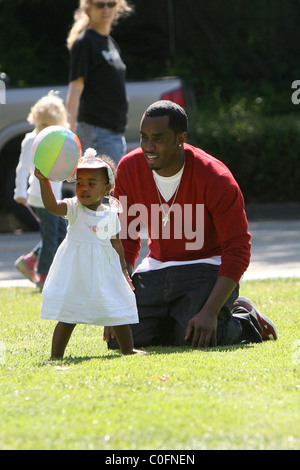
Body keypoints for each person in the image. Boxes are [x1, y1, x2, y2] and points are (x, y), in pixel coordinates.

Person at [105, 100, 278, 350]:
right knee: (119, 339)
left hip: (206, 266)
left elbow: (238, 249)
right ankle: (173, 322)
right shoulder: (129, 169)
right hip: (157, 267)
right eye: (144, 137)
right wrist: (118, 300)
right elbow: (127, 240)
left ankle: (246, 320)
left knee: (198, 338)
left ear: (180, 138)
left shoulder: (215, 177)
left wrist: (210, 311)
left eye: (158, 138)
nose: (148, 147)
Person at [35, 148, 145, 359]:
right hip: (78, 271)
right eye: (79, 183)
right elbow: (51, 206)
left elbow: (117, 244)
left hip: (105, 271)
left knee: (118, 309)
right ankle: (56, 355)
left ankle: (127, 349)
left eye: (92, 184)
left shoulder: (111, 213)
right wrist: (44, 181)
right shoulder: (75, 208)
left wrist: (123, 271)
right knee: (69, 315)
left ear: (107, 188)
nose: (84, 188)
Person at [66, 0, 133, 164]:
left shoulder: (109, 42)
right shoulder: (85, 43)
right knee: (106, 188)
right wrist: (69, 134)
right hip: (95, 132)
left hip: (114, 132)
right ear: (88, 8)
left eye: (111, 4)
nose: (106, 9)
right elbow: (75, 89)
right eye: (99, 4)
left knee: (112, 187)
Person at [14, 91, 68, 289]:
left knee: (59, 234)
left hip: (55, 197)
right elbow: (22, 169)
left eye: (49, 126)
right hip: (39, 198)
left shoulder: (57, 140)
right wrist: (19, 192)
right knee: (51, 237)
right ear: (34, 119)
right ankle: (43, 277)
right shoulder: (30, 141)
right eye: (41, 124)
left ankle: (30, 260)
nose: (44, 129)